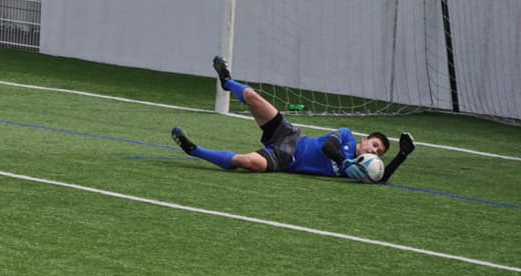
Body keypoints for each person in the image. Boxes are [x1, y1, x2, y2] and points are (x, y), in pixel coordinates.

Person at [171, 56, 415, 182]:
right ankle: (227, 81)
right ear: (364, 139)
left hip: (286, 159)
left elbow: (380, 178)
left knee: (248, 162)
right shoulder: (347, 136)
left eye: (379, 152)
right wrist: (345, 162)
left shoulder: (359, 172)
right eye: (374, 145)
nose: (375, 152)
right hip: (289, 135)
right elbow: (329, 147)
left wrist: (402, 156)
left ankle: (194, 150)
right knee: (252, 96)